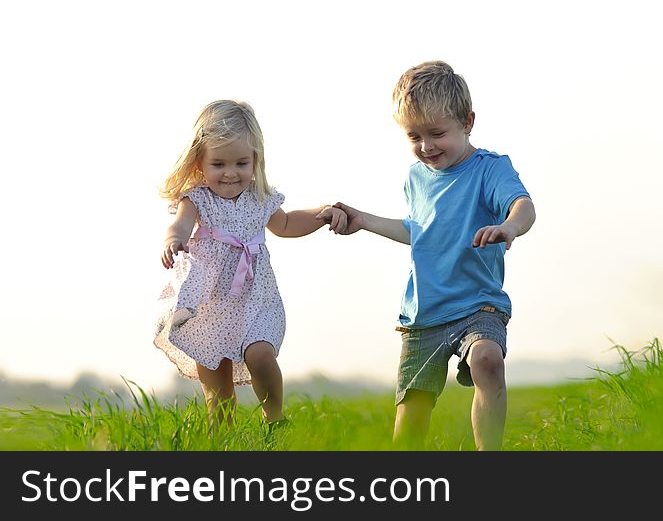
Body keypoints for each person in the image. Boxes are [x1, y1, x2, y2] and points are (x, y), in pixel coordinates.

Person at [334, 61, 536, 450]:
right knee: (412, 412)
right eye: (414, 136)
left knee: (487, 360)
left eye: (437, 133)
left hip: (479, 304)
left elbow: (523, 206)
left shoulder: (490, 169)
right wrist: (363, 221)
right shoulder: (416, 177)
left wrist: (508, 227)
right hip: (424, 313)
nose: (426, 146)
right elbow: (420, 232)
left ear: (468, 122)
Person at [154, 99, 346, 427]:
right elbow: (181, 224)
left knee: (260, 354)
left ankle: (274, 419)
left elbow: (286, 224)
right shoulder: (197, 198)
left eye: (241, 163)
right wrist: (174, 239)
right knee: (218, 388)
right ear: (200, 161)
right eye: (219, 164)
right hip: (211, 305)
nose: (230, 173)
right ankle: (223, 440)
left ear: (255, 160)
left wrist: (321, 214)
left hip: (257, 300)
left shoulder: (260, 199)